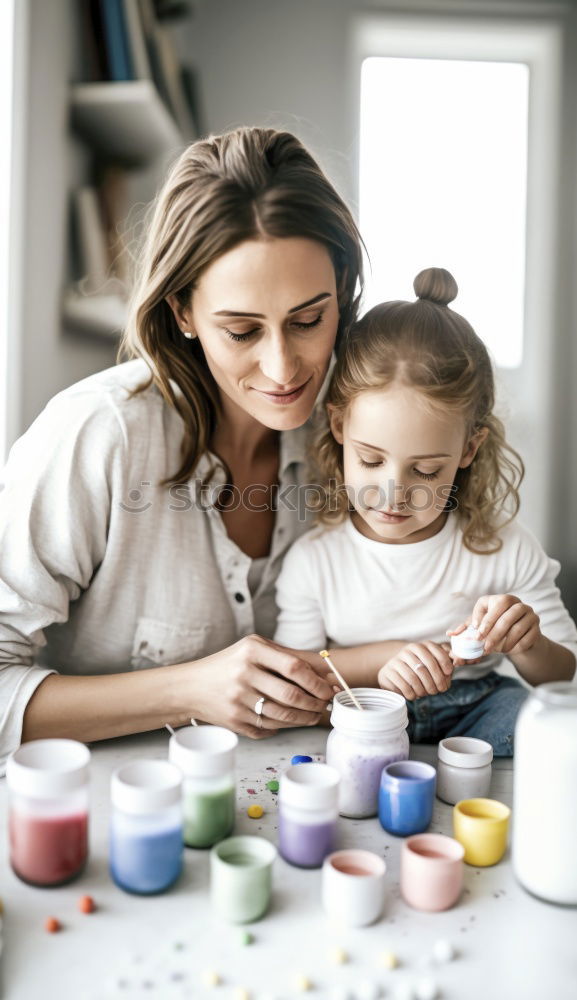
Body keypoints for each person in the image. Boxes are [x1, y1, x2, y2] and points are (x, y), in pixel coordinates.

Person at [0, 125, 381, 773]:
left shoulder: (351, 441)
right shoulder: (99, 435)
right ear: (182, 311)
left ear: (341, 294)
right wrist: (186, 690)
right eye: (240, 330)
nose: (283, 366)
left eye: (308, 320)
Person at [274, 267, 577, 754]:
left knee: (537, 721)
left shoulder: (504, 547)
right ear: (338, 426)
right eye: (371, 460)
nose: (395, 494)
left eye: (427, 471)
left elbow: (564, 677)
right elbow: (302, 666)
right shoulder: (315, 560)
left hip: (477, 712)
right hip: (367, 712)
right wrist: (385, 662)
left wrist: (529, 644)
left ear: (468, 450)